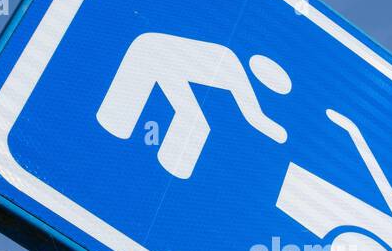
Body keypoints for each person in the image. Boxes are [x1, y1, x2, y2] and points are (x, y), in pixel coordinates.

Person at [96, 32, 292, 179]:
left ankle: (118, 127)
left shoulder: (229, 60)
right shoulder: (230, 64)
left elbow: (254, 114)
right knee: (193, 120)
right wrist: (279, 133)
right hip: (151, 56)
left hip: (154, 55)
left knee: (193, 120)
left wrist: (278, 133)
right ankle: (116, 126)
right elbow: (254, 115)